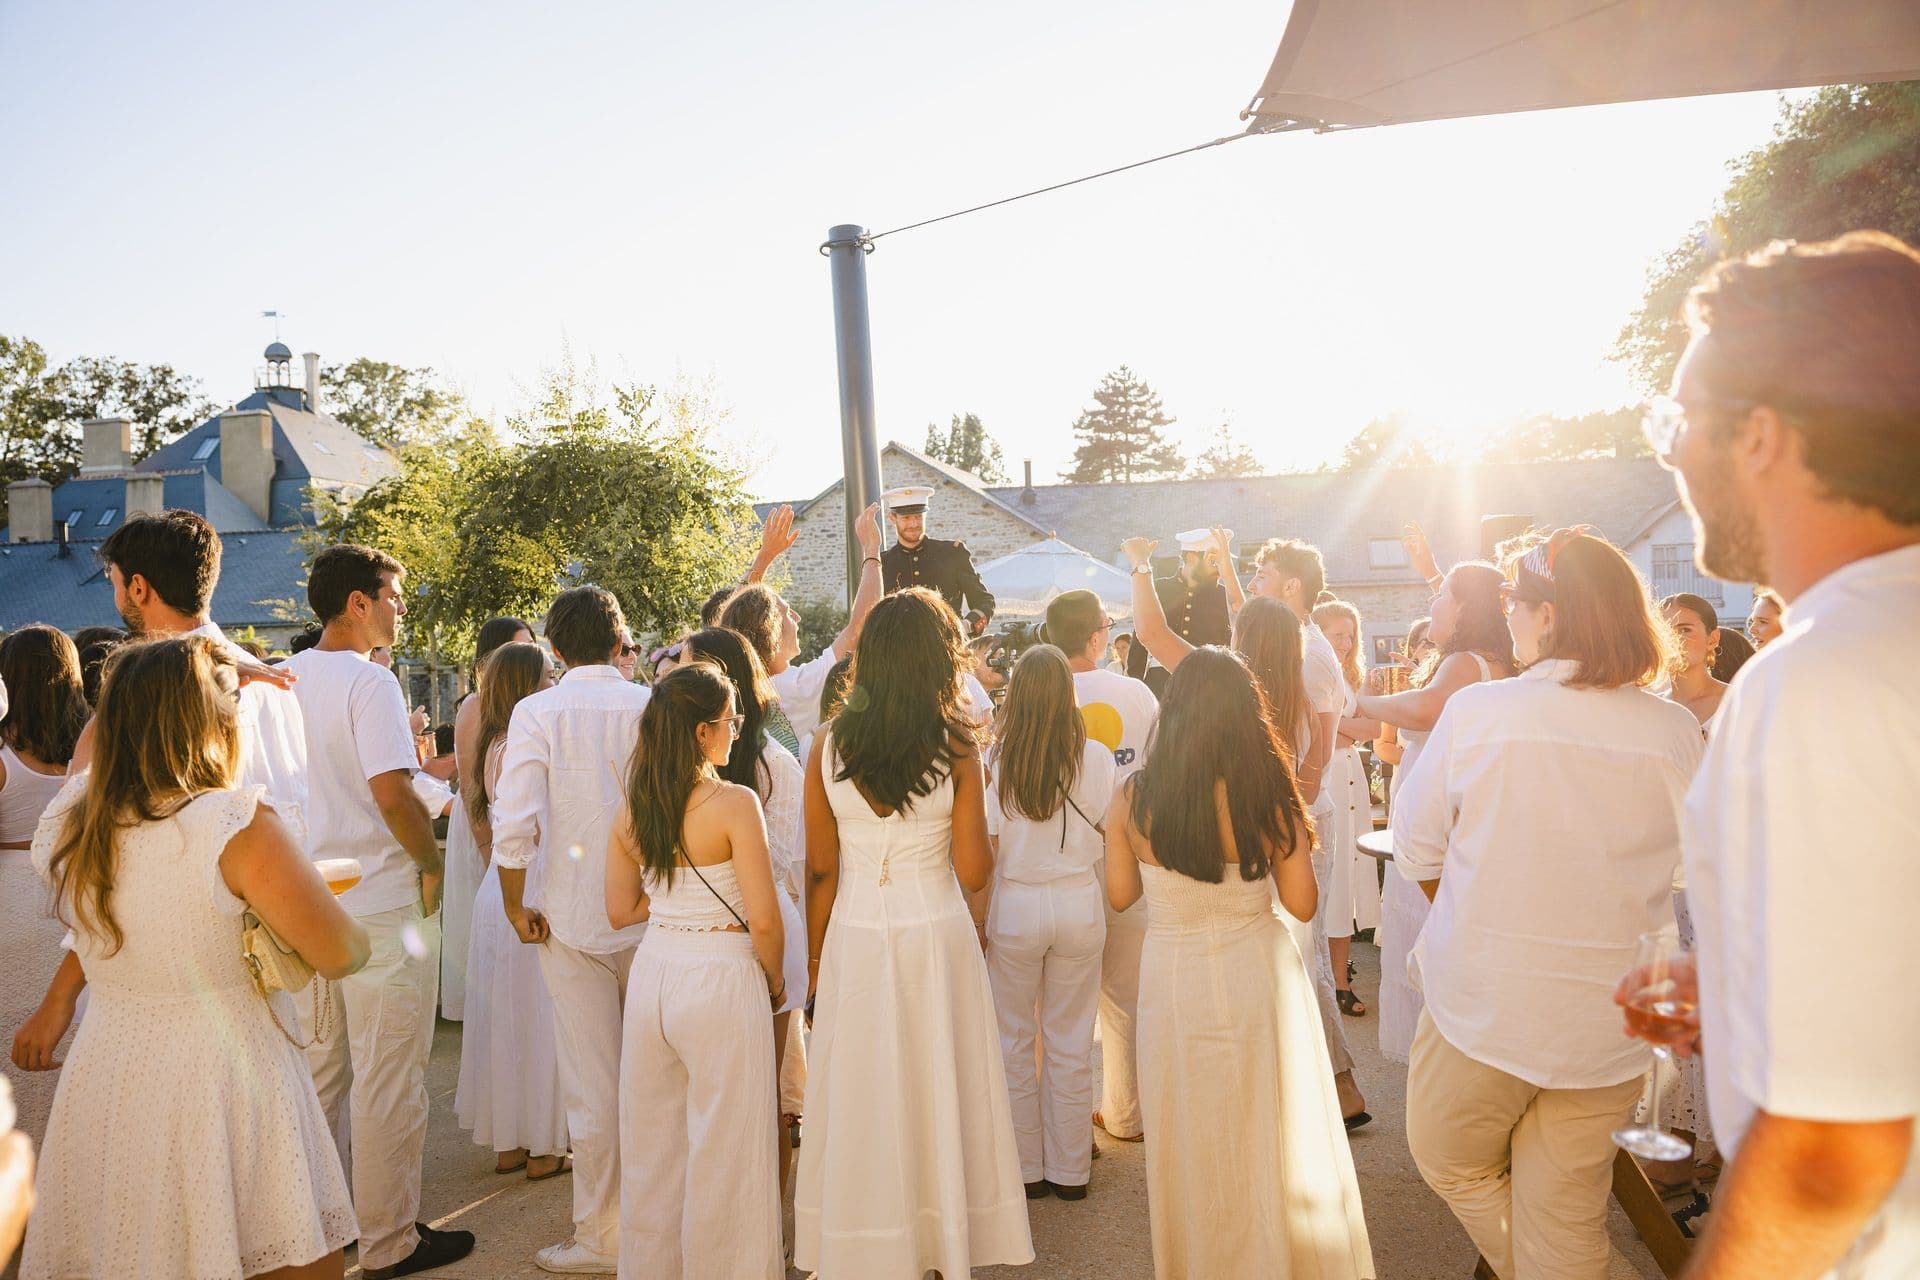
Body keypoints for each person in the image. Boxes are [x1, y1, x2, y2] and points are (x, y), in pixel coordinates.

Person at [1632, 230, 1920, 1280]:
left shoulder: (1818, 683)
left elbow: (1835, 1145)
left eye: (1675, 418)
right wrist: (1747, 986)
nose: (1666, 450)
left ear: (1760, 434)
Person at [1394, 530, 1702, 1279]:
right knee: (1563, 1224)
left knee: (1450, 1159)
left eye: (1514, 603)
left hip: (1486, 1007)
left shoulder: (1480, 712)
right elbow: (1701, 869)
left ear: (1552, 615)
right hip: (1608, 1022)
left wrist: (1472, 910)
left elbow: (1415, 847)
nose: (1508, 618)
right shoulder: (1672, 730)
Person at [22, 635, 371, 1280]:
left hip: (112, 1067)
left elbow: (110, 924)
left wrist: (60, 999)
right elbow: (344, 952)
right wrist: (305, 895)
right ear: (208, 720)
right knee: (292, 1259)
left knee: (131, 1252)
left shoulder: (77, 816)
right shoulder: (234, 822)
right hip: (226, 1068)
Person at [14, 511, 315, 1119]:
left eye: (116, 582)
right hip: (266, 967)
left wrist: (61, 996)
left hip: (154, 983)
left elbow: (99, 865)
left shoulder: (127, 716)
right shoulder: (273, 684)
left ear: (139, 588)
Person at [1103, 647, 1373, 1279]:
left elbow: (1120, 896)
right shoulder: (1267, 794)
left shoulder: (1134, 797)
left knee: (1188, 1131)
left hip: (1175, 981)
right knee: (1263, 1126)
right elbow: (1303, 905)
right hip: (1254, 974)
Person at [794, 588, 1033, 1277]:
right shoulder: (958, 745)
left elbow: (819, 869)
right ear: (938, 657)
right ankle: (938, 1242)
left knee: (865, 1084)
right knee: (937, 1082)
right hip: (936, 933)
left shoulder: (826, 746)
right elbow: (974, 869)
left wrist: (814, 959)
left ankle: (866, 1242)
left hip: (856, 933)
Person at [1127, 535, 1368, 1127]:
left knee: (1297, 959)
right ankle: (1326, 1086)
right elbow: (1313, 774)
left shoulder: (1243, 688)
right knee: (1293, 956)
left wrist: (1138, 566)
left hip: (1274, 831)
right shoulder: (1296, 687)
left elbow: (1154, 635)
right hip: (1286, 828)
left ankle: (1335, 1087)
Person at [281, 545, 470, 1278]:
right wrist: (431, 866)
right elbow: (394, 791)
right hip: (380, 903)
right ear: (356, 603)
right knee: (390, 1076)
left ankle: (322, 1229)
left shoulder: (285, 681)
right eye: (392, 595)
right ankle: (390, 1240)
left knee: (323, 1076)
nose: (400, 606)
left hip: (305, 900)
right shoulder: (368, 682)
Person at [606, 664, 787, 1280]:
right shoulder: (735, 803)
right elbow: (764, 918)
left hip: (657, 968)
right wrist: (776, 982)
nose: (737, 731)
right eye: (732, 720)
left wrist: (674, 905)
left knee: (655, 1150)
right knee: (728, 1147)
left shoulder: (633, 811)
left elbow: (619, 908)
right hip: (721, 972)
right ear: (705, 730)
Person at [490, 584, 650, 1274]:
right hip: (651, 911)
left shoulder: (537, 711)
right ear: (620, 643)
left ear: (553, 648)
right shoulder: (651, 704)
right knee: (657, 1075)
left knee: (593, 1083)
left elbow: (514, 819)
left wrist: (512, 903)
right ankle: (660, 1220)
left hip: (567, 914)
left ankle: (602, 1237)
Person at [1355, 547, 1514, 1064]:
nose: (1434, 601)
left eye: (1443, 595)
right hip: (1464, 818)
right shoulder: (1494, 660)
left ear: (1466, 608)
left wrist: (1357, 703)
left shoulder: (1467, 663)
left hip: (1439, 830)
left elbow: (1427, 710)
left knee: (1431, 955)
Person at [676, 627, 809, 1194]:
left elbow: (795, 865)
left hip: (759, 930)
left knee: (763, 1094)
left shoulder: (770, 765)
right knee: (731, 1092)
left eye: (686, 669)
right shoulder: (679, 773)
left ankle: (764, 1224)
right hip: (735, 930)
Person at [982, 645, 1115, 1201]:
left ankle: (1026, 1170)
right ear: (1069, 694)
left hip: (1016, 902)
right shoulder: (1099, 758)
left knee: (1013, 1039)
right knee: (1069, 1037)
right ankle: (1070, 1172)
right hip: (1078, 902)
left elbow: (989, 845)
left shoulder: (996, 760)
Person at [1037, 589, 1158, 1144]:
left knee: (1057, 1008)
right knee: (1125, 998)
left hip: (1057, 863)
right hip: (1127, 860)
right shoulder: (1135, 694)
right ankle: (1127, 1114)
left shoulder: (1031, 694)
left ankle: (1058, 1126)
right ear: (1094, 637)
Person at [453, 640, 569, 1182]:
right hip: (530, 886)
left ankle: (510, 1144)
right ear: (526, 687)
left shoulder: (492, 746)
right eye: (547, 677)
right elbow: (536, 825)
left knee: (505, 1017)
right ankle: (545, 1148)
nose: (554, 684)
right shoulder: (524, 745)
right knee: (540, 1017)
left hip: (496, 893)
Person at [0, 627, 88, 1148]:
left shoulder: (6, 757)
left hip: (10, 904)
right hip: (74, 905)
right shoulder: (93, 749)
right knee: (70, 1037)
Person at [721, 501, 883, 753]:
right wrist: (872, 551)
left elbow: (734, 627)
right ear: (771, 632)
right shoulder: (793, 687)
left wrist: (764, 558)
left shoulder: (738, 682)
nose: (796, 617)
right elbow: (861, 625)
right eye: (786, 612)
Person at [442, 615, 535, 1024]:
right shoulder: (476, 706)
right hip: (484, 825)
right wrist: (487, 850)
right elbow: (471, 785)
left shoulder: (529, 709)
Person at [1314, 598, 1382, 1009]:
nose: (1345, 642)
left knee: (1349, 877)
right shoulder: (1310, 671)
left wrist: (1335, 725)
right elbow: (1320, 732)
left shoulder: (1359, 675)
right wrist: (1343, 728)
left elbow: (1373, 727)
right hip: (1325, 776)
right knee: (1329, 873)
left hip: (1352, 777)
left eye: (1350, 635)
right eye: (1337, 634)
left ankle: (1341, 979)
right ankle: (1323, 977)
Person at [1124, 529, 1231, 697]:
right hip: (1159, 687)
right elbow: (1140, 642)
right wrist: (1132, 687)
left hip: (1206, 689)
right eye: (1212, 560)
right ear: (1191, 558)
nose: (1219, 568)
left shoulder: (1224, 596)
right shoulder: (1158, 588)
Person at [879, 485, 995, 636]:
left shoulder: (952, 553)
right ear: (892, 518)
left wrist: (966, 626)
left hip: (949, 651)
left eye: (918, 517)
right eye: (906, 518)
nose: (914, 524)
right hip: (900, 655)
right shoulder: (882, 563)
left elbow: (985, 602)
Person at [1662, 592, 1730, 732]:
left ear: (1712, 639)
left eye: (1685, 630)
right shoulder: (1650, 706)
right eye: (1664, 631)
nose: (1673, 639)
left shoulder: (1738, 700)